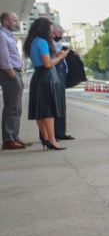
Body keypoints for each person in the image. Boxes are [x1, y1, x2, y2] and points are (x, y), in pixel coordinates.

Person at [23, 18, 69, 150]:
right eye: (50, 30)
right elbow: (47, 63)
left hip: (37, 76)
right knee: (48, 111)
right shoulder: (42, 42)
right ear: (44, 30)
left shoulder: (31, 42)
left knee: (40, 111)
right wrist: (60, 56)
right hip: (47, 76)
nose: (51, 34)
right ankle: (52, 140)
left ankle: (45, 139)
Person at [0, 11, 31, 149]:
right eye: (15, 21)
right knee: (11, 108)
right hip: (9, 74)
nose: (17, 23)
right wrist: (13, 76)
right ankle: (8, 140)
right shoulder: (1, 36)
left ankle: (14, 137)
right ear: (6, 22)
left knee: (17, 109)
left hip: (14, 73)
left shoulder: (8, 36)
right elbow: (4, 60)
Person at [51, 24, 74, 141]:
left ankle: (61, 132)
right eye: (59, 34)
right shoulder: (49, 45)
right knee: (56, 106)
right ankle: (55, 133)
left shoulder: (59, 46)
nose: (60, 36)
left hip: (61, 78)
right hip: (55, 78)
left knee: (61, 106)